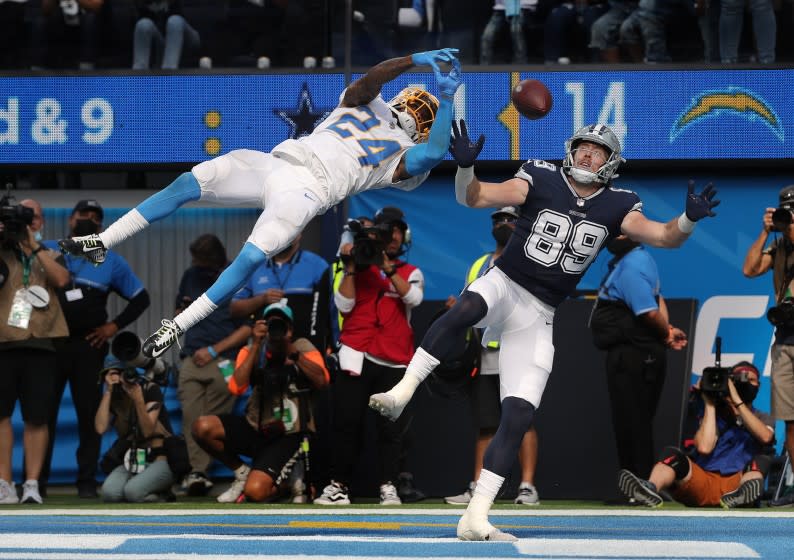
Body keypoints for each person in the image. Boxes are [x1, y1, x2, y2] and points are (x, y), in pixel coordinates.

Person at [370, 120, 719, 541]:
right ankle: (402, 392)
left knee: (518, 414)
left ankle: (476, 516)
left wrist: (687, 220)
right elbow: (476, 196)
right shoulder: (540, 175)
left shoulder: (619, 202)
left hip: (539, 313)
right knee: (468, 305)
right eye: (584, 147)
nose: (589, 155)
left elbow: (664, 237)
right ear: (571, 150)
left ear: (612, 162)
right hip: (507, 282)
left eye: (599, 151)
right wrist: (465, 170)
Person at [58, 48, 462, 360]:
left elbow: (432, 154)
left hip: (308, 191)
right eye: (418, 102)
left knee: (251, 256)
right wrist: (415, 59)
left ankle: (178, 325)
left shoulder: (404, 152)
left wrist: (446, 100)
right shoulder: (366, 101)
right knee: (191, 181)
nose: (414, 110)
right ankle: (103, 240)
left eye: (422, 110)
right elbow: (372, 79)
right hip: (276, 161)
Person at [40, 199, 150, 499]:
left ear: (101, 227)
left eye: (94, 217)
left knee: (88, 416)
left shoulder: (112, 261)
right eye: (82, 215)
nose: (87, 219)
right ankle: (36, 485)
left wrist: (112, 327)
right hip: (50, 346)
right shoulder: (49, 249)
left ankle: (86, 481)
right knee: (42, 415)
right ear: (71, 219)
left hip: (89, 347)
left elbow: (142, 299)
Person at [314, 206, 423, 506]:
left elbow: (414, 298)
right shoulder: (359, 268)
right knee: (347, 424)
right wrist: (351, 265)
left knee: (389, 430)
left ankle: (388, 485)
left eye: (397, 231)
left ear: (403, 237)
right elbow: (344, 306)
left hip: (394, 359)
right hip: (356, 354)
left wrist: (386, 267)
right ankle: (338, 486)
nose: (393, 237)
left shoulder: (409, 272)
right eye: (387, 231)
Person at [444, 206, 540, 507]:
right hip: (487, 352)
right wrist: (457, 307)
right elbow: (469, 300)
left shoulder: (532, 260)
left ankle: (527, 487)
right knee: (486, 424)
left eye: (510, 219)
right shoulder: (480, 265)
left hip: (520, 349)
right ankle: (478, 486)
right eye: (498, 220)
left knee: (522, 419)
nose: (503, 224)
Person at [191, 302, 330, 503]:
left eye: (280, 325)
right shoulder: (254, 349)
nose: (275, 331)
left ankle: (284, 485)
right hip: (255, 427)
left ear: (289, 330)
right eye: (270, 325)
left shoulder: (301, 347)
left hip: (288, 434)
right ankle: (241, 472)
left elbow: (322, 381)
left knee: (255, 492)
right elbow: (236, 387)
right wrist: (256, 344)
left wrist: (293, 353)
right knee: (202, 426)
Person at [589, 235, 687, 483]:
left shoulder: (633, 263)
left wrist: (665, 332)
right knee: (631, 422)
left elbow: (649, 311)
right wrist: (667, 333)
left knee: (634, 423)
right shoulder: (634, 260)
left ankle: (641, 483)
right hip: (634, 353)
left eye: (622, 232)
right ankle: (634, 483)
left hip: (634, 356)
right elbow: (657, 299)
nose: (615, 237)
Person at [618, 361, 775, 508]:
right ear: (729, 382)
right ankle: (649, 489)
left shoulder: (763, 417)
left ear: (759, 386)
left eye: (750, 380)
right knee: (672, 455)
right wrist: (709, 403)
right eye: (739, 379)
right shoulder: (710, 414)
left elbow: (766, 437)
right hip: (702, 483)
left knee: (761, 461)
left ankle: (743, 496)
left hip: (736, 485)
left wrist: (737, 401)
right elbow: (705, 447)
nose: (744, 383)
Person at [0, 197, 70, 504]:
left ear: (39, 223)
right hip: (3, 341)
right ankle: (4, 483)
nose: (26, 225)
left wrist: (32, 245)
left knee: (37, 418)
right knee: (0, 416)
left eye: (32, 219)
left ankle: (31, 484)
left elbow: (62, 280)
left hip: (42, 342)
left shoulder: (51, 252)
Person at [174, 234, 250, 496]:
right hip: (192, 356)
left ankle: (202, 469)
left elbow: (247, 330)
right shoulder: (190, 275)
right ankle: (197, 473)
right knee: (190, 413)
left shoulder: (237, 276)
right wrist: (181, 314)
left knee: (212, 416)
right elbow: (177, 313)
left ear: (214, 259)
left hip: (225, 356)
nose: (196, 264)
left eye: (201, 260)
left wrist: (213, 350)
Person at [742, 185, 794, 506]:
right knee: (790, 419)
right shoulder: (777, 247)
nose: (787, 216)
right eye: (784, 210)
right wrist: (765, 233)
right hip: (786, 337)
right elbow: (749, 269)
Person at [95, 357, 179, 503]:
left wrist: (138, 399)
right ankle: (142, 488)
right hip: (133, 460)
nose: (116, 378)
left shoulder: (149, 389)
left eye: (119, 373)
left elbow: (147, 431)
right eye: (110, 374)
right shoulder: (115, 399)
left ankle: (163, 495)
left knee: (133, 492)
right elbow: (100, 428)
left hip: (159, 460)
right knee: (110, 494)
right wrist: (108, 392)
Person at [230, 234, 331, 352]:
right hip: (265, 347)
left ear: (300, 233)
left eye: (292, 229)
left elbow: (332, 308)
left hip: (306, 346)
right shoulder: (255, 267)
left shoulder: (317, 264)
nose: (286, 234)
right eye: (283, 229)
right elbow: (234, 309)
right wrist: (261, 299)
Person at [132, 0, 201, 69]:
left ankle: (168, 73)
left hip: (186, 34)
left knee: (175, 21)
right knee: (143, 24)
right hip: (160, 42)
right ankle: (139, 74)